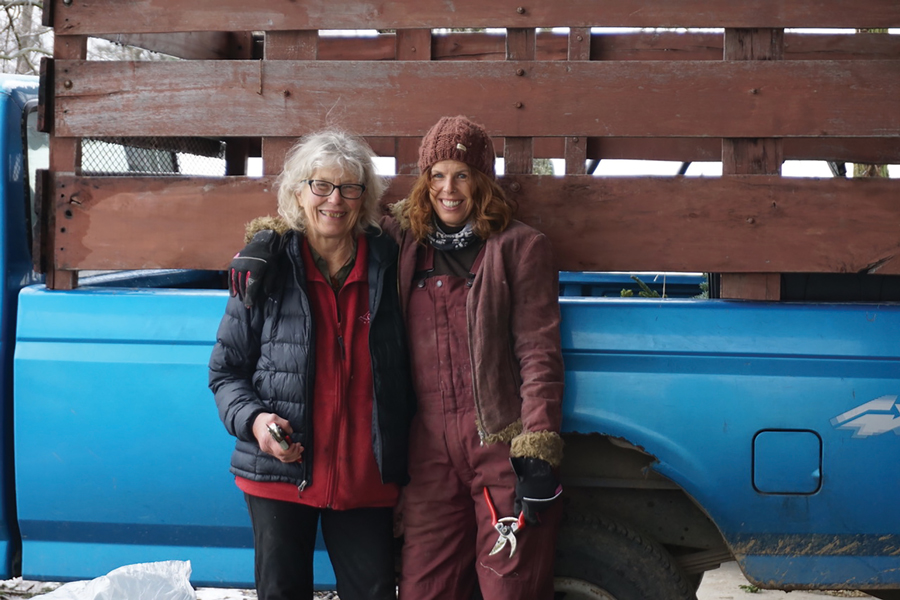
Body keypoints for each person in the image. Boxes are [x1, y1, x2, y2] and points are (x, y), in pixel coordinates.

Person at [232, 116, 564, 599]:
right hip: (426, 452)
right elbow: (328, 212)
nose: (448, 189)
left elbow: (538, 353)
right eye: (437, 175)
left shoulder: (519, 247)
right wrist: (265, 238)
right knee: (422, 589)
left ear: (483, 181)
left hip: (497, 444)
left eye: (463, 175)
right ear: (424, 181)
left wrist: (536, 451)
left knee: (510, 588)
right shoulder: (406, 238)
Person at [208, 131, 415, 600]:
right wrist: (256, 421)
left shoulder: (393, 265)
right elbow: (225, 372)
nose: (334, 200)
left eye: (349, 188)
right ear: (298, 193)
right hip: (278, 475)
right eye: (321, 185)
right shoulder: (265, 268)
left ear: (365, 198)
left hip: (367, 479)